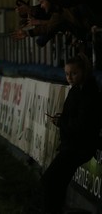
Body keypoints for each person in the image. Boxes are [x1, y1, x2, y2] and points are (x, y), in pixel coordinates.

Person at [41, 54, 101, 214]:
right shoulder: (76, 90)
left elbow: (82, 125)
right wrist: (62, 118)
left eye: (74, 73)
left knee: (50, 180)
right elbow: (71, 116)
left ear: (83, 72)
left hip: (80, 146)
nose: (69, 77)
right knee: (56, 182)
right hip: (72, 144)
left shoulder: (89, 93)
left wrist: (62, 123)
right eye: (67, 74)